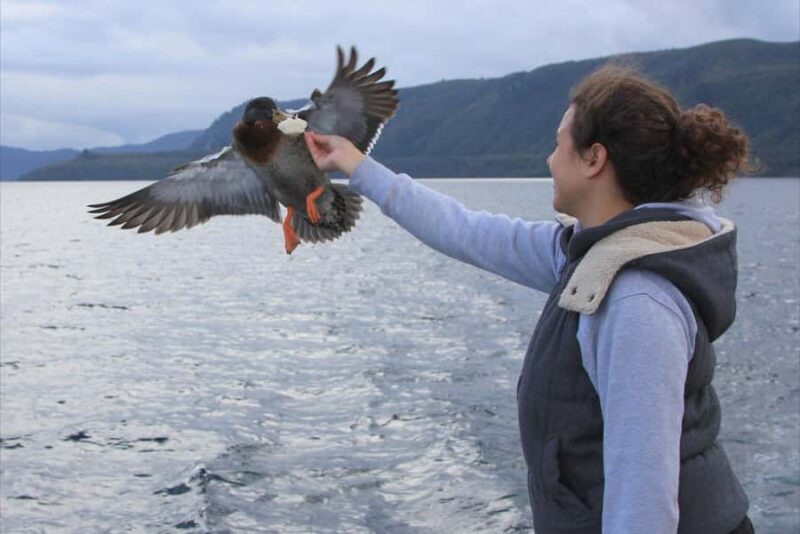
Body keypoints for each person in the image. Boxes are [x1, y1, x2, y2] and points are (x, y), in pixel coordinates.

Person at [304, 65, 755, 534]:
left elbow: (644, 503)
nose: (549, 159)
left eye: (559, 144)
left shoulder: (638, 301)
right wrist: (356, 165)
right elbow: (467, 231)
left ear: (594, 158)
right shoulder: (590, 255)